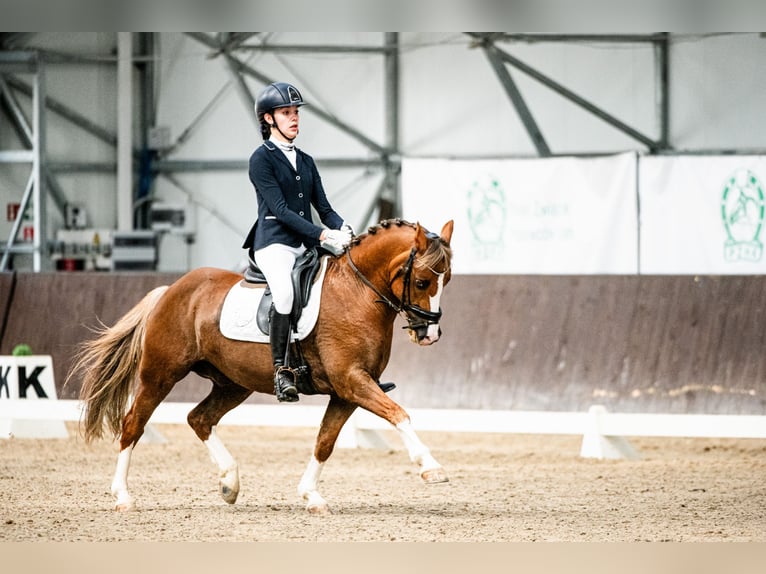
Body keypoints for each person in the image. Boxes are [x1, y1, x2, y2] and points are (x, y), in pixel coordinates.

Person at [242, 81, 352, 403]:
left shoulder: (305, 160)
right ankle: (281, 370)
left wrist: (345, 229)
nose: (294, 118)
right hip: (274, 244)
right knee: (286, 294)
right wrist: (321, 234)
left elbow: (325, 209)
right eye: (286, 113)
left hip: (305, 244)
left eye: (295, 113)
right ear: (268, 119)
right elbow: (280, 210)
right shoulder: (261, 159)